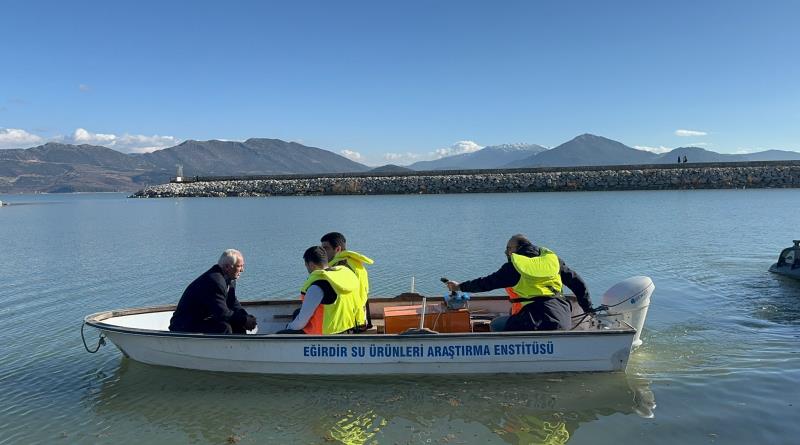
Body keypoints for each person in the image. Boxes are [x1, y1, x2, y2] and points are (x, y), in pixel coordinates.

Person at [445, 234, 593, 332]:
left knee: (495, 324)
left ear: (513, 249)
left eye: (507, 250)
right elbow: (578, 284)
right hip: (562, 317)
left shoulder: (515, 266)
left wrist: (459, 286)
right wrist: (588, 308)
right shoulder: (553, 261)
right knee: (513, 313)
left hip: (536, 321)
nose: (507, 254)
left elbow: (486, 283)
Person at [169, 249, 257, 334]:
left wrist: (246, 317)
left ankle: (239, 349)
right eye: (239, 266)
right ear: (227, 267)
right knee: (224, 328)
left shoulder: (230, 279)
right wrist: (244, 320)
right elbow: (222, 313)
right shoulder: (215, 281)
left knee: (238, 325)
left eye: (243, 266)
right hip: (183, 325)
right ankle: (225, 349)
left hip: (200, 320)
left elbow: (232, 302)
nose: (242, 270)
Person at [279, 246, 361, 334]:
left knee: (280, 335)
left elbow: (300, 323)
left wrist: (289, 327)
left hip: (324, 334)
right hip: (345, 328)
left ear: (311, 265)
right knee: (297, 312)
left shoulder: (317, 286)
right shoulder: (341, 277)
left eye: (306, 265)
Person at [320, 232, 374, 330]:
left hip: (347, 322)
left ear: (337, 249)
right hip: (359, 317)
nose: (322, 253)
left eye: (326, 248)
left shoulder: (340, 267)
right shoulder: (355, 262)